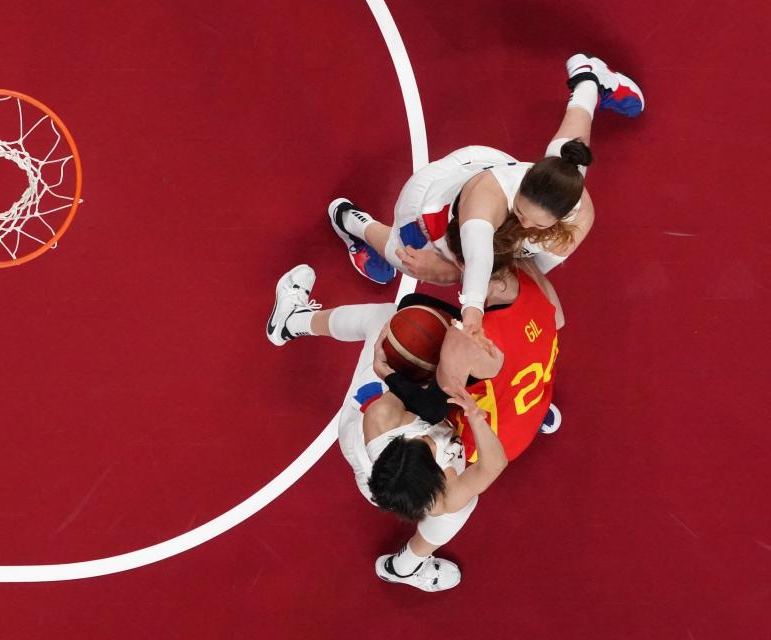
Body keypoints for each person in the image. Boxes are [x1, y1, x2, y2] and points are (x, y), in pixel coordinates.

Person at [264, 257, 561, 590]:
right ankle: (404, 567)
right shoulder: (444, 490)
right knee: (460, 508)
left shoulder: (383, 417)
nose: (430, 442)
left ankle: (291, 321)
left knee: (387, 324)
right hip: (397, 465)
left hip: (378, 422)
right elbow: (494, 463)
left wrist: (389, 372)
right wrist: (479, 416)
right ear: (437, 471)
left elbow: (413, 388)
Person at [326, 53, 644, 339]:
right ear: (524, 183)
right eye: (520, 211)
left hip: (502, 212)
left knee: (567, 150)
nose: (525, 223)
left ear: (560, 217)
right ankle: (352, 222)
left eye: (537, 224)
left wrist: (465, 274)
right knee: (408, 258)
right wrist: (472, 308)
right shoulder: (489, 197)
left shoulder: (574, 205)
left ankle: (589, 79)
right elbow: (479, 258)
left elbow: (526, 265)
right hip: (432, 205)